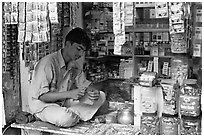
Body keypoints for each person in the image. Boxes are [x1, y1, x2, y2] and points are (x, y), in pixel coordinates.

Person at [28, 27, 106, 127]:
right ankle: (68, 116)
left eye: (83, 51)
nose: (81, 54)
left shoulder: (74, 65)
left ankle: (71, 115)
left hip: (63, 103)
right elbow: (42, 96)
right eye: (78, 49)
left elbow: (85, 84)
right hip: (43, 106)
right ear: (68, 44)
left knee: (101, 96)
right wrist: (70, 94)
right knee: (65, 118)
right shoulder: (48, 63)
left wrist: (93, 91)